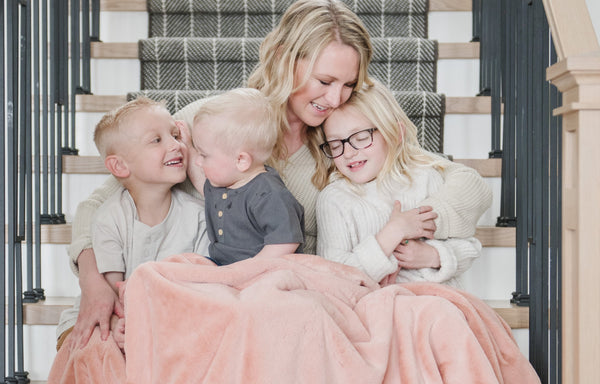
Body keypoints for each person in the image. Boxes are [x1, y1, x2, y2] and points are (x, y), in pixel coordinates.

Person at [66, 0, 491, 348]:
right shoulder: (220, 120)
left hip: (288, 298)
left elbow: (463, 181)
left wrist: (420, 229)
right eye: (324, 80)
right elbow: (102, 201)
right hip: (211, 287)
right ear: (288, 60)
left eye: (348, 84)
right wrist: (94, 282)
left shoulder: (342, 134)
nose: (334, 97)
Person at [56, 96, 207, 350]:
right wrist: (118, 325)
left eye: (176, 136)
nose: (176, 146)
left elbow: (202, 286)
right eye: (157, 140)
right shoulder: (108, 219)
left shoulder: (198, 216)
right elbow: (112, 292)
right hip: (120, 315)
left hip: (176, 316)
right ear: (120, 166)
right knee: (96, 347)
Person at [315, 80, 487, 287]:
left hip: (434, 300)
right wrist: (391, 233)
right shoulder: (334, 200)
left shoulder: (425, 178)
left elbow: (468, 246)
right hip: (372, 305)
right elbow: (334, 276)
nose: (349, 152)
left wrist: (434, 255)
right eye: (335, 145)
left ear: (396, 134)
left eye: (361, 138)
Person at [188, 88, 304, 266]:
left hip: (264, 271)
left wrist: (249, 269)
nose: (198, 161)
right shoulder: (220, 181)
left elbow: (285, 242)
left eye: (203, 155)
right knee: (180, 267)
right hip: (221, 265)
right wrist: (187, 146)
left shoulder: (269, 194)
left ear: (241, 160)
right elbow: (200, 182)